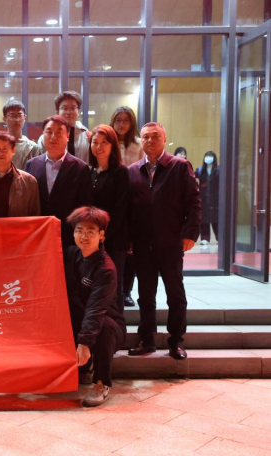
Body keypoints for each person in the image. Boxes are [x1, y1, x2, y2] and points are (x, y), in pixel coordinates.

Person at [127, 122, 201, 360]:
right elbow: (128, 210)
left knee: (175, 294)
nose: (150, 140)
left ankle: (176, 341)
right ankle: (146, 340)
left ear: (165, 139)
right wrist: (129, 238)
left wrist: (190, 233)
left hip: (170, 242)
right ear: (141, 140)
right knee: (145, 295)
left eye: (155, 136)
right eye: (145, 137)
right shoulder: (132, 171)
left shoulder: (179, 166)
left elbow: (193, 202)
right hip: (142, 244)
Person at [64, 206, 126, 407]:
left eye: (90, 231)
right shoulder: (70, 254)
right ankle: (83, 368)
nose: (84, 236)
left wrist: (84, 344)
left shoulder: (105, 269)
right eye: (79, 230)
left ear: (101, 236)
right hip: (77, 319)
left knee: (104, 326)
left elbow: (96, 310)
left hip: (106, 325)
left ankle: (101, 383)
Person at [25, 115, 92, 249]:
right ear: (43, 135)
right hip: (38, 234)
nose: (53, 137)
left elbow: (85, 207)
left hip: (68, 237)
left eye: (59, 132)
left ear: (67, 136)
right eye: (49, 132)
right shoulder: (32, 165)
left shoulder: (81, 168)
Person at [89, 125, 130, 310]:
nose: (99, 147)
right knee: (96, 286)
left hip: (114, 238)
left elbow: (121, 209)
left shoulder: (121, 172)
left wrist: (104, 234)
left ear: (112, 145)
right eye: (95, 142)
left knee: (114, 285)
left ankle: (117, 324)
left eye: (104, 142)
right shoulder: (90, 172)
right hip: (93, 239)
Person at [110, 106, 142, 308]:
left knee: (130, 250)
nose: (121, 124)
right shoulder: (108, 142)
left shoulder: (139, 145)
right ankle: (114, 289)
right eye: (118, 120)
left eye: (126, 120)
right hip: (113, 200)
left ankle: (127, 290)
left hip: (134, 200)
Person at [0, 131, 40, 218]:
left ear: (13, 150)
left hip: (17, 227)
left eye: (4, 149)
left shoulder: (29, 182)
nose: (0, 153)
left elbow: (35, 216)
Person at [37, 91, 90, 163]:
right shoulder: (45, 138)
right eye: (64, 108)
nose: (69, 112)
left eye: (73, 108)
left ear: (78, 111)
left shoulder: (88, 136)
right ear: (57, 112)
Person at [1, 100, 41, 169]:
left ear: (25, 118)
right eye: (12, 115)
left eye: (19, 115)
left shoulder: (33, 148)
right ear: (4, 119)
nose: (16, 119)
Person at [195, 151, 219, 246]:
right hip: (203, 198)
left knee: (216, 219)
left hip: (215, 199)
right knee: (204, 219)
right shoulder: (200, 170)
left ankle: (219, 238)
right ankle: (205, 238)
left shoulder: (219, 170)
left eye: (210, 156)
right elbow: (192, 178)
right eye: (207, 156)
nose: (208, 158)